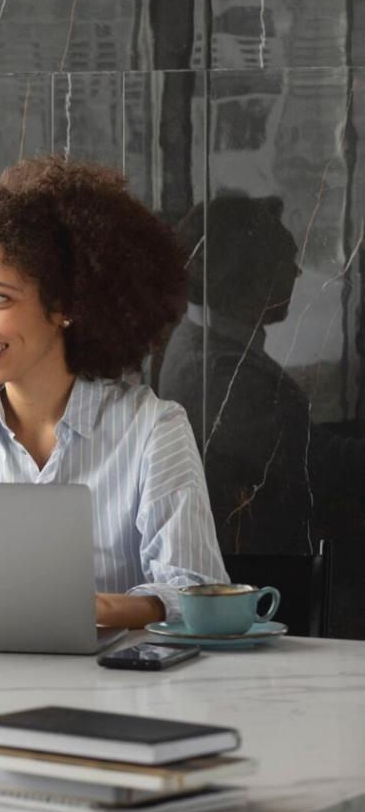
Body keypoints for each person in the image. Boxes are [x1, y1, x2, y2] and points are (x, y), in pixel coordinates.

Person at [0, 156, 226, 628]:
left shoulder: (152, 430)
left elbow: (197, 590)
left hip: (122, 688)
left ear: (65, 306)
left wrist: (102, 609)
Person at [158, 194, 362, 555]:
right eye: (285, 260)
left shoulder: (206, 343)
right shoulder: (214, 372)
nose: (297, 273)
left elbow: (298, 439)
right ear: (247, 272)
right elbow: (317, 466)